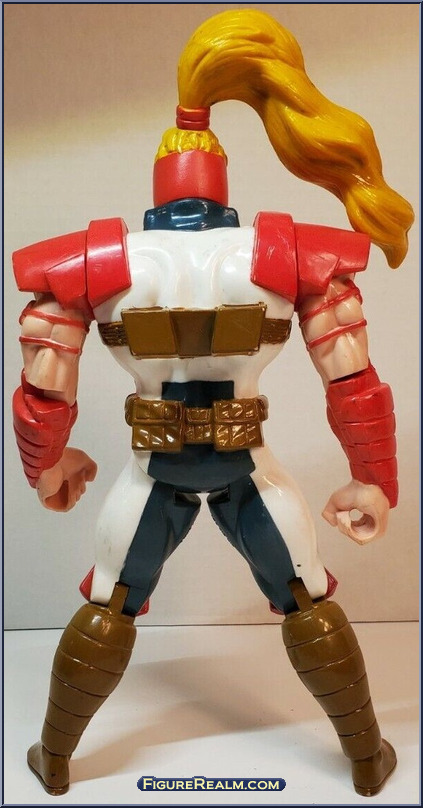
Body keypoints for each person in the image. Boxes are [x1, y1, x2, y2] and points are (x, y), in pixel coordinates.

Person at [12, 8, 413, 797]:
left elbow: (43, 388)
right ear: (218, 184)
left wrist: (47, 468)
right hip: (247, 471)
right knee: (303, 595)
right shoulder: (284, 254)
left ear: (161, 183)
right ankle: (367, 759)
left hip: (152, 474)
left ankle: (53, 762)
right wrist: (373, 479)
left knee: (110, 601)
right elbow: (353, 384)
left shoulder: (97, 261)